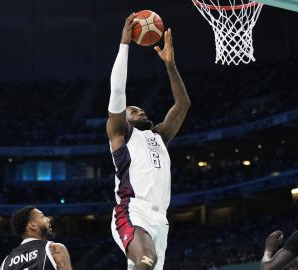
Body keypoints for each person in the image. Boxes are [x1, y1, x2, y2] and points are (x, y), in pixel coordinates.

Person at [107, 12, 191, 270]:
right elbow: (118, 91)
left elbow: (183, 103)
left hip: (160, 222)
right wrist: (124, 45)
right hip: (133, 211)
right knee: (147, 260)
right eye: (133, 110)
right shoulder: (121, 133)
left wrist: (170, 64)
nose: (140, 111)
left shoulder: (159, 136)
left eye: (141, 109)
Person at [0, 206, 72, 270]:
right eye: (42, 216)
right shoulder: (54, 249)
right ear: (32, 225)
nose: (48, 219)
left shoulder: (6, 262)